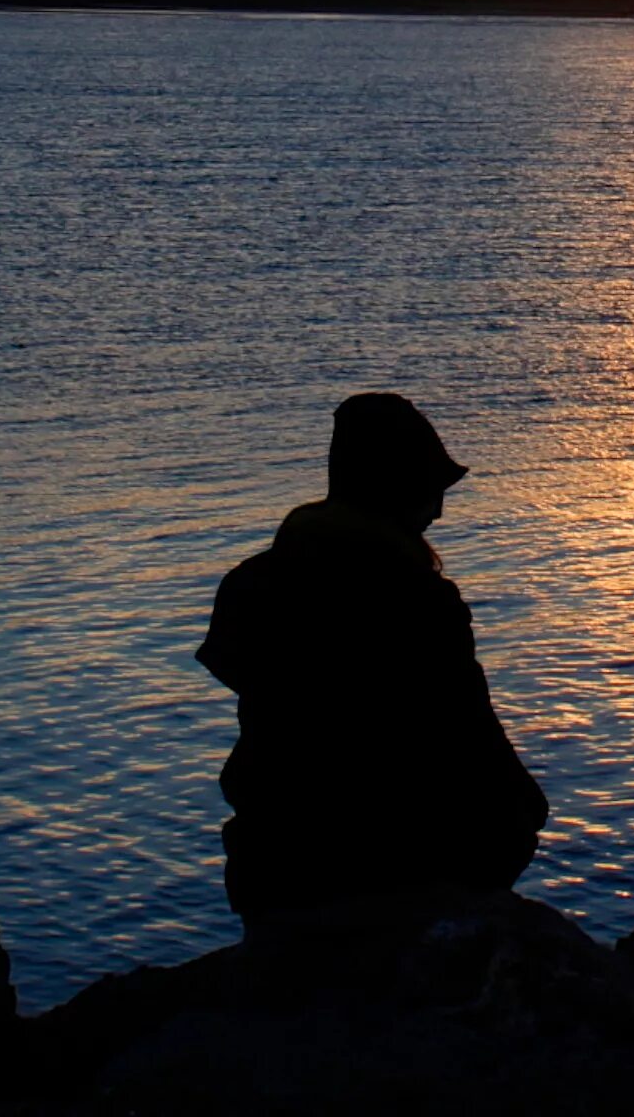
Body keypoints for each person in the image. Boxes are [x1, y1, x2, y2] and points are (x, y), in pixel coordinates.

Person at [195, 393, 549, 926]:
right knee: (512, 821)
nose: (440, 509)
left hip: (270, 861)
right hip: (383, 864)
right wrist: (524, 811)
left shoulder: (251, 584)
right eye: (429, 490)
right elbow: (470, 733)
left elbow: (242, 676)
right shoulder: (418, 600)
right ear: (395, 488)